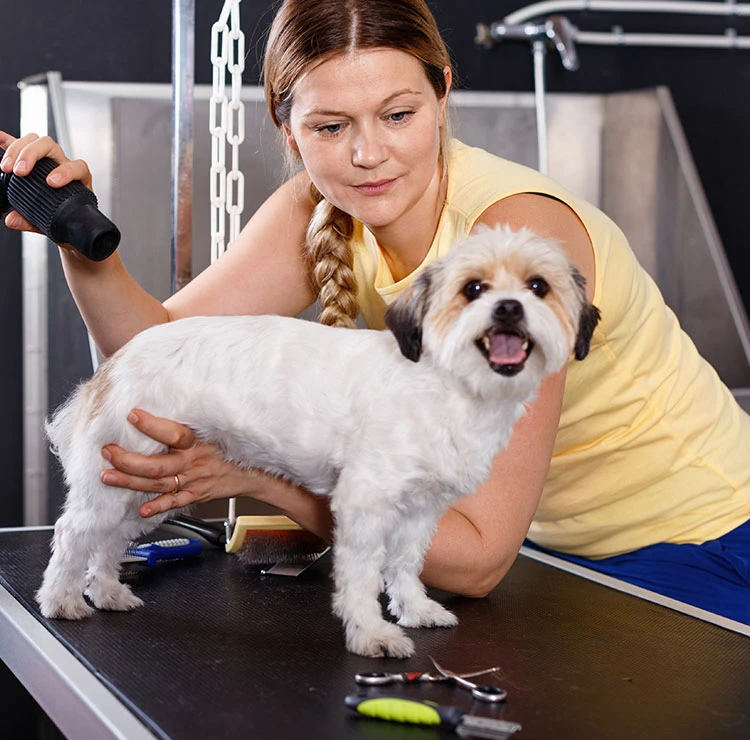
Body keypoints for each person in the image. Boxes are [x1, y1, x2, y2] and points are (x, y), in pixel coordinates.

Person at [1, 0, 748, 624]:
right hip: (552, 552)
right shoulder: (316, 206)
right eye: (330, 128)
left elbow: (479, 556)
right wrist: (84, 246)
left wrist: (253, 472)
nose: (368, 154)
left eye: (397, 113)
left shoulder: (520, 249)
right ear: (288, 129)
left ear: (444, 93)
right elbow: (154, 359)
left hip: (701, 542)